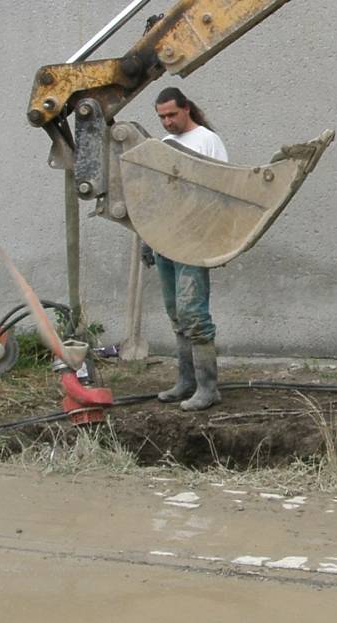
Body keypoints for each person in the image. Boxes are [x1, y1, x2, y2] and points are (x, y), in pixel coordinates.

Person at [150, 86, 229, 411]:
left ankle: (208, 388)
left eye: (171, 114)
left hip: (194, 237)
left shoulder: (207, 140)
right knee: (176, 313)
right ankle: (185, 382)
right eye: (161, 117)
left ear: (187, 109)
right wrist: (147, 236)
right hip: (165, 237)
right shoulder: (166, 145)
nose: (167, 122)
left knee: (194, 313)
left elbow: (222, 189)